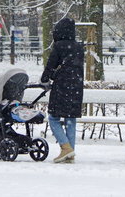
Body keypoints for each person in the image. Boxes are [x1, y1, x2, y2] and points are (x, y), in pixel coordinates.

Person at [40, 17, 84, 163]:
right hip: (76, 87)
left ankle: (65, 148)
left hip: (61, 86)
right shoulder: (78, 46)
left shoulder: (59, 46)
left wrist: (45, 79)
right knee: (70, 119)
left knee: (53, 118)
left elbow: (51, 65)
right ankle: (70, 153)